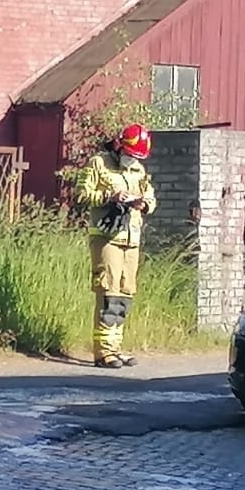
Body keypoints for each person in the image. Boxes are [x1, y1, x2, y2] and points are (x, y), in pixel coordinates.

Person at [76, 123, 157, 368]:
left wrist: (144, 204)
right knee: (108, 292)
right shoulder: (98, 163)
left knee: (125, 293)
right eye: (131, 155)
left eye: (137, 157)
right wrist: (109, 197)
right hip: (106, 236)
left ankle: (116, 347)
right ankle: (104, 352)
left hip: (131, 238)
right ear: (119, 145)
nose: (133, 161)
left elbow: (151, 197)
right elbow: (81, 195)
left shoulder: (138, 171)